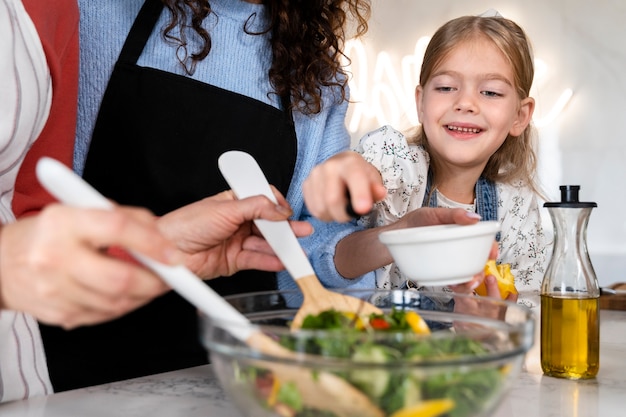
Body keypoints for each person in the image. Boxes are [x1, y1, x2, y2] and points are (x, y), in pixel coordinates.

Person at [40, 0, 374, 391]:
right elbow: (35, 205)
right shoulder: (94, 13)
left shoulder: (317, 80)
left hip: (232, 382)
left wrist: (386, 231)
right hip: (73, 364)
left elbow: (307, 265)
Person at [302, 12, 548, 307]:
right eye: (446, 87)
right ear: (421, 103)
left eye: (491, 92)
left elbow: (528, 304)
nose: (466, 103)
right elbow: (332, 254)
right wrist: (351, 174)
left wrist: (496, 325)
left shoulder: (516, 205)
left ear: (520, 116)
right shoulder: (396, 162)